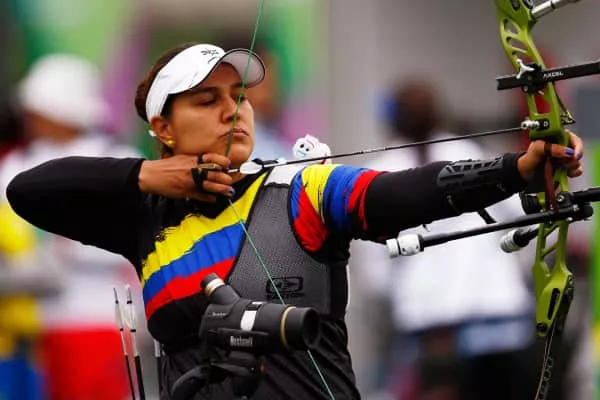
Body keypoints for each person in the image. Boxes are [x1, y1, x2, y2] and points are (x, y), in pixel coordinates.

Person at [4, 42, 585, 400]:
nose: (232, 110)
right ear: (163, 127)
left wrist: (516, 170)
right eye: (206, 100)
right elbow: (29, 190)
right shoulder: (144, 219)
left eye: (239, 96)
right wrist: (148, 176)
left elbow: (401, 193)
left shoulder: (302, 188)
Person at [348, 79, 539, 400]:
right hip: (491, 319)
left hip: (436, 328)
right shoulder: (470, 154)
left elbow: (375, 274)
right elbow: (523, 219)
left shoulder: (379, 175)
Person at [0, 53, 142, 400]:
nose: (31, 118)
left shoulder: (117, 160)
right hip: (29, 325)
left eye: (39, 109)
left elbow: (136, 237)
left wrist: (65, 247)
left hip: (98, 318)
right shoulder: (15, 163)